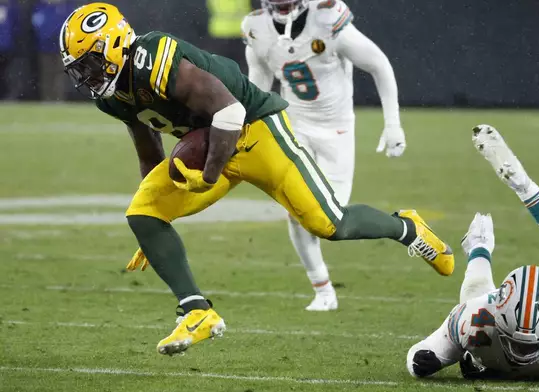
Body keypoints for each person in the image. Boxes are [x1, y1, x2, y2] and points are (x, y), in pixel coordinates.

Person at [59, 2, 454, 356]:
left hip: (254, 130)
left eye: (89, 63)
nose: (85, 75)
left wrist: (208, 175)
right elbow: (148, 146)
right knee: (142, 212)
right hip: (210, 142)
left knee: (329, 223)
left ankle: (408, 228)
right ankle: (198, 313)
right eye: (79, 67)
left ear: (115, 47)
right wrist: (157, 221)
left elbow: (229, 113)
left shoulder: (158, 58)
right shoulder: (111, 95)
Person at [242, 0, 406, 311]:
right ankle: (323, 290)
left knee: (331, 222)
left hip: (337, 131)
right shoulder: (256, 28)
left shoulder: (327, 17)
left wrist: (393, 123)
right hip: (295, 124)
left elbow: (378, 63)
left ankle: (404, 228)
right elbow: (259, 85)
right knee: (296, 211)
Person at [407, 125, 539, 380]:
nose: (522, 352)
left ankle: (482, 241)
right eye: (518, 343)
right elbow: (425, 352)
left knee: (473, 301)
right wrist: (424, 360)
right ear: (497, 310)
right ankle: (520, 196)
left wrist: (492, 370)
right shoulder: (479, 317)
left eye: (529, 345)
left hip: (491, 341)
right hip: (489, 326)